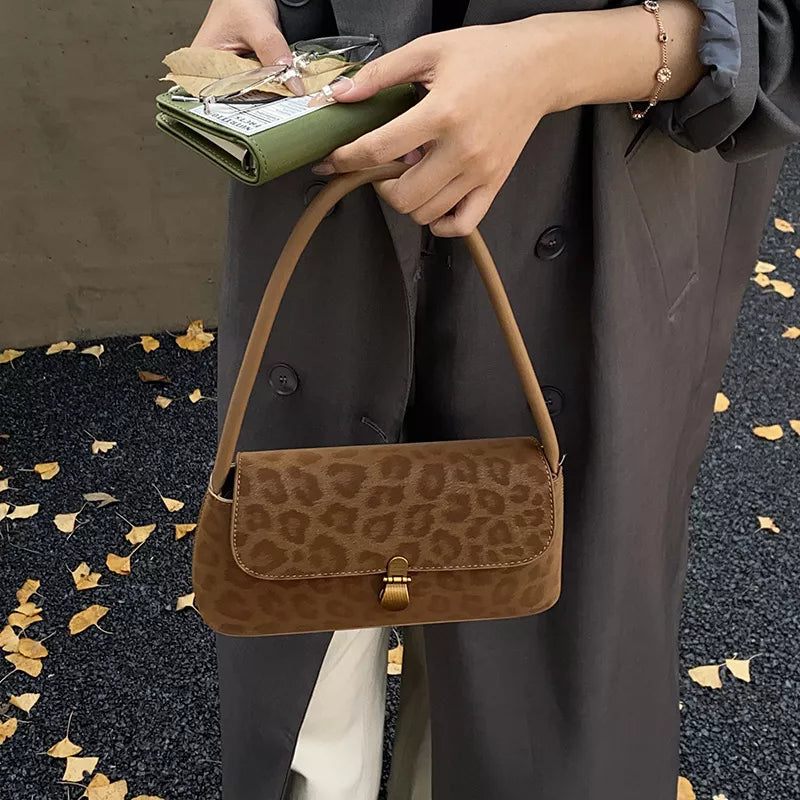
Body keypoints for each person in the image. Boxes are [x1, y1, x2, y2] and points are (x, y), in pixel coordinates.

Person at [191, 1, 800, 798]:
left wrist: (552, 62)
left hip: (596, 203)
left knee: (529, 679)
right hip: (326, 153)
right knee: (300, 637)